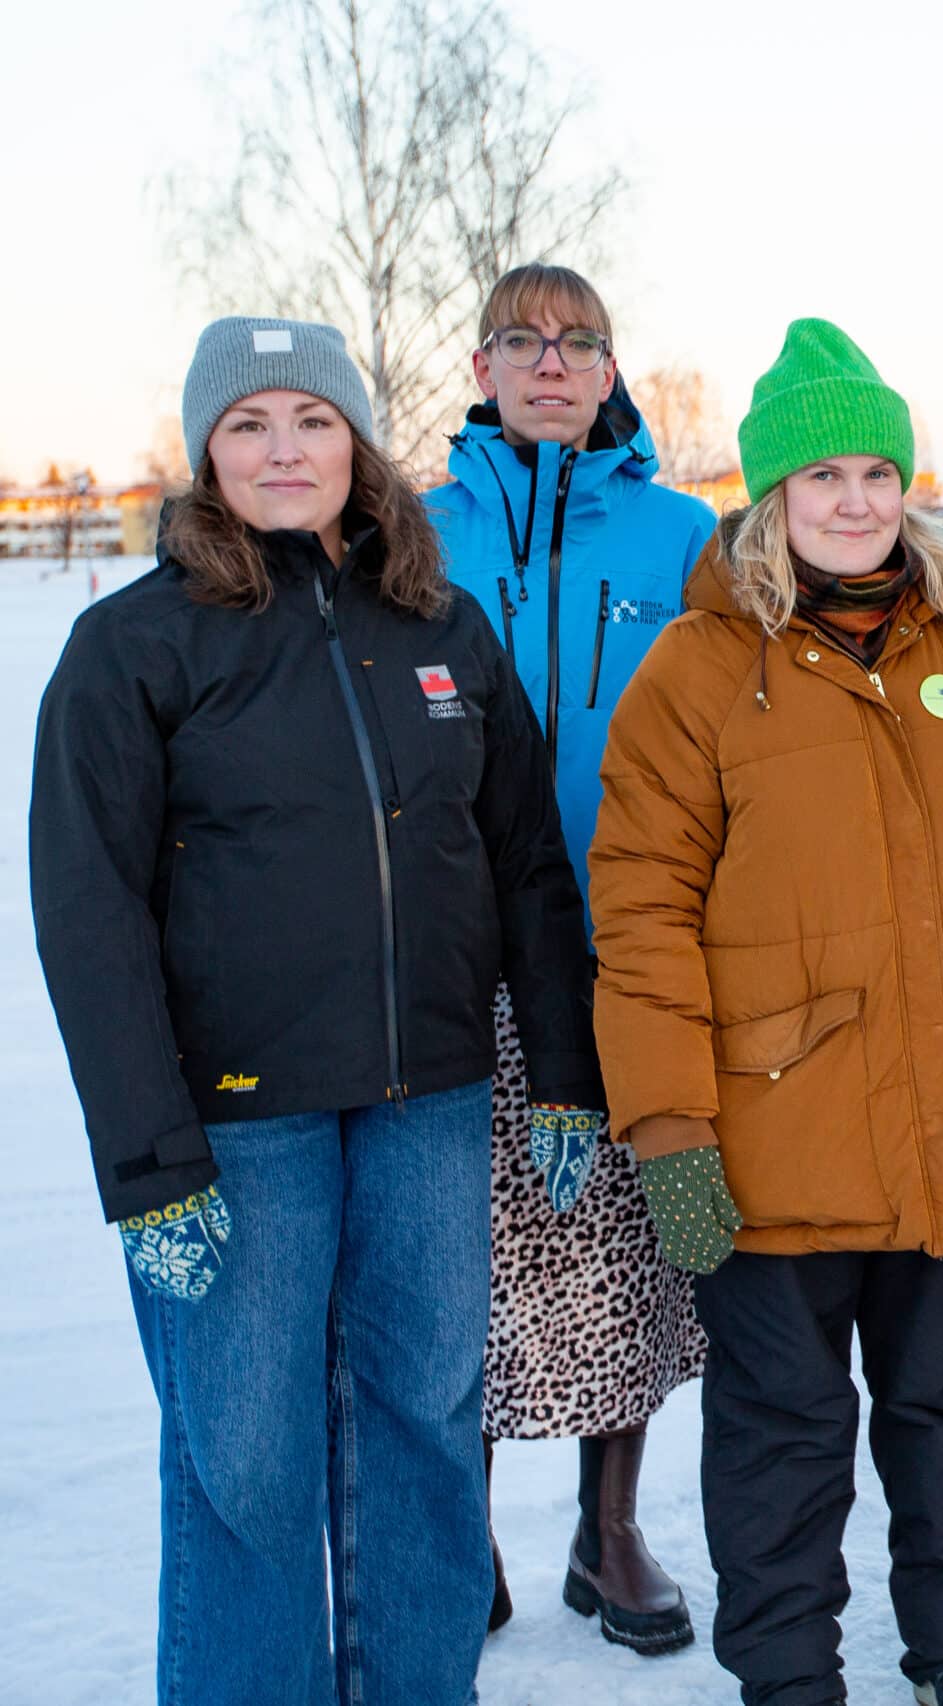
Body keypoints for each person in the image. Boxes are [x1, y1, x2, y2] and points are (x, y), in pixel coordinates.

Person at [31, 316, 602, 1705]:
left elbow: (524, 855)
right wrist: (150, 1163)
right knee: (248, 1457)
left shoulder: (443, 625)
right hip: (240, 1128)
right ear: (205, 452)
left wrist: (567, 1070)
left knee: (425, 1422)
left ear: (358, 444)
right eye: (250, 424)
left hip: (432, 1104)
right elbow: (88, 915)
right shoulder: (134, 646)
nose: (285, 450)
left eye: (313, 420)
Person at [587, 318, 943, 1706]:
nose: (858, 500)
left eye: (879, 470)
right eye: (825, 475)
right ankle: (788, 1679)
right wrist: (670, 1128)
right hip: (773, 1149)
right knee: (784, 1440)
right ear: (772, 494)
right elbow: (638, 916)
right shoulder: (698, 672)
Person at [425, 260, 715, 1653]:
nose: (551, 362)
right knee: (457, 1251)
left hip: (625, 945)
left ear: (611, 372)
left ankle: (610, 1531)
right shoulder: (410, 539)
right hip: (452, 958)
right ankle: (457, 1527)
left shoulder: (678, 538)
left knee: (623, 1252)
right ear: (481, 368)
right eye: (522, 340)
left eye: (579, 342)